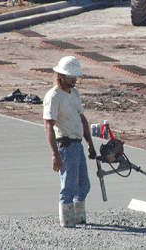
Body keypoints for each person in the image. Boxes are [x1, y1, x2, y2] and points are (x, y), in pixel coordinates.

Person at [43, 56, 96, 228]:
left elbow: (82, 119)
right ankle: (67, 222)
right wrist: (55, 154)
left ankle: (79, 218)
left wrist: (90, 144)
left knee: (83, 186)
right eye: (71, 76)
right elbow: (48, 126)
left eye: (76, 76)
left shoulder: (73, 93)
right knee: (68, 187)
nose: (75, 79)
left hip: (77, 144)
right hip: (65, 146)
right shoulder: (53, 97)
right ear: (61, 76)